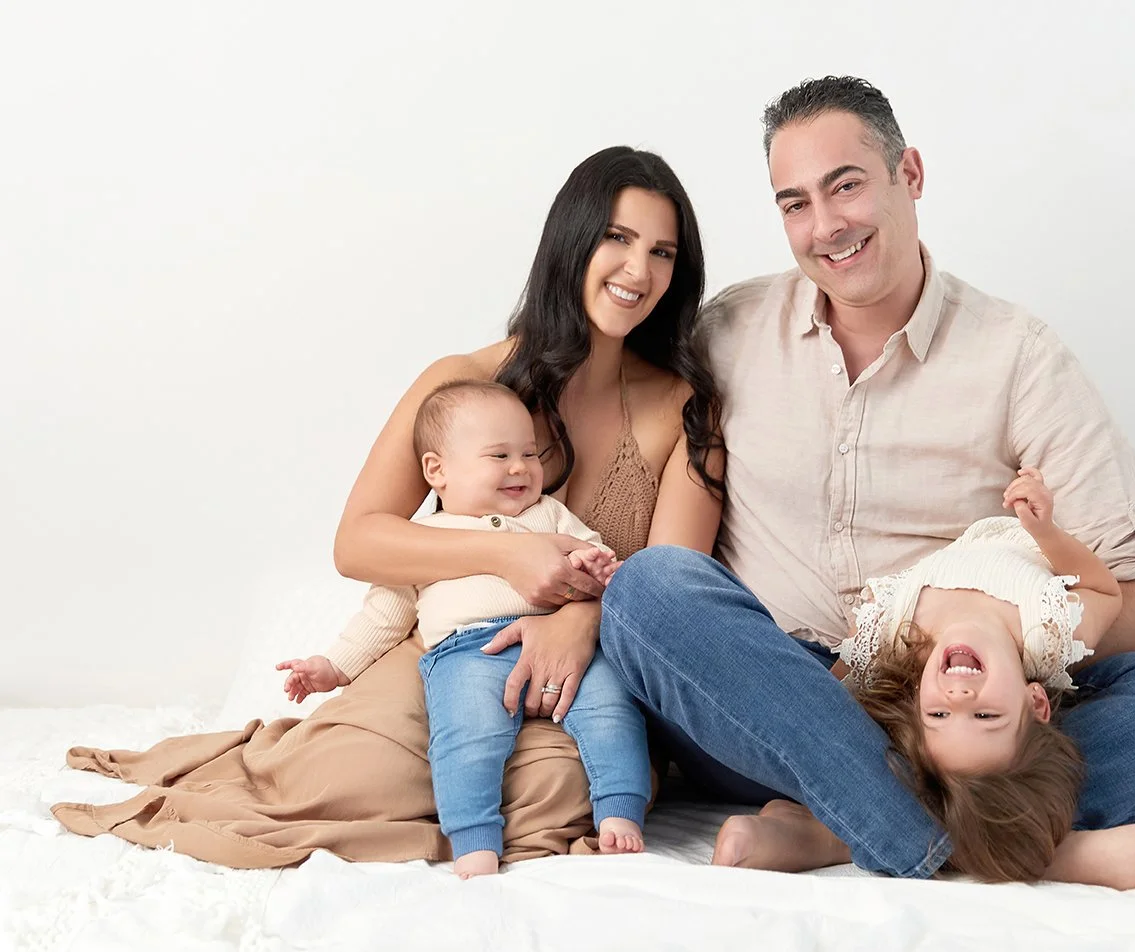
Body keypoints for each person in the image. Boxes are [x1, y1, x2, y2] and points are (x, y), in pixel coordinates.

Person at [597, 77, 1135, 896]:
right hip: (779, 700)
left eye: (846, 186)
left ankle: (844, 826)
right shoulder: (729, 332)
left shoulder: (1015, 355)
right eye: (795, 204)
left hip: (961, 710)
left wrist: (991, 640)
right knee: (650, 592)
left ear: (908, 174)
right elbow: (597, 412)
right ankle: (1010, 845)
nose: (826, 226)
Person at [52, 145, 726, 869]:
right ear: (572, 239)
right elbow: (360, 542)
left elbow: (673, 588)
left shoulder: (684, 409)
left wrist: (580, 619)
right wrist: (507, 552)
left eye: (663, 251)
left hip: (580, 667)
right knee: (336, 778)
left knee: (562, 794)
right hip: (447, 652)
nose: (639, 270)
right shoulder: (461, 382)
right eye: (617, 239)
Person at [276, 380, 645, 877]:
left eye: (529, 454)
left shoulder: (549, 515)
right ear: (438, 470)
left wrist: (598, 568)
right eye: (499, 456)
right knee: (468, 735)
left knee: (612, 707)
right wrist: (332, 666)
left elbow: (595, 559)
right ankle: (473, 838)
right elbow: (384, 615)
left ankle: (620, 808)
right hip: (469, 653)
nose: (520, 468)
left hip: (563, 644)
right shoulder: (425, 539)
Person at [833, 467, 1113, 884]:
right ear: (1035, 702)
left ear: (915, 702)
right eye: (986, 716)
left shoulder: (891, 634)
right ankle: (996, 841)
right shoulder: (1049, 632)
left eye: (938, 716)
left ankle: (842, 833)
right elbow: (1105, 590)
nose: (959, 695)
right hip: (1029, 526)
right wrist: (1046, 531)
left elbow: (828, 697)